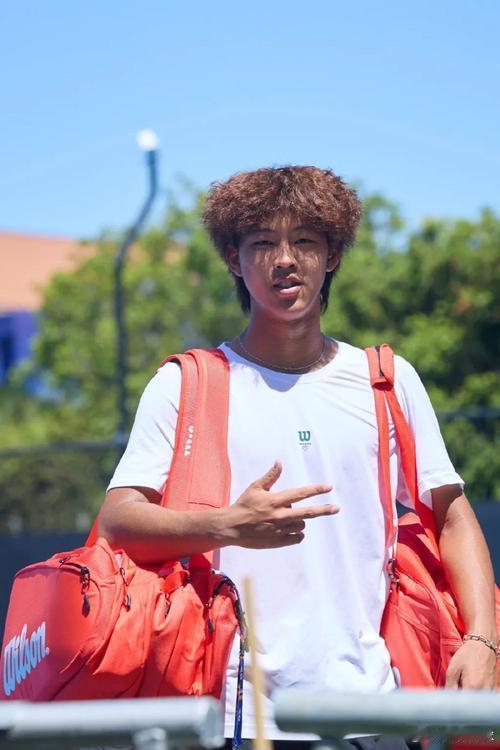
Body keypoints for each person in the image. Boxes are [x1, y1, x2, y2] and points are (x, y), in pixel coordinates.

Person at [99, 166, 497, 748]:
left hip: (378, 711)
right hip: (238, 716)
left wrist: (483, 639)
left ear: (331, 255)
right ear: (234, 259)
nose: (285, 259)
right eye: (263, 242)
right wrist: (225, 525)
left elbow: (452, 518)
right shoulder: (186, 384)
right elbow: (117, 522)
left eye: (304, 241)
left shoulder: (385, 380)